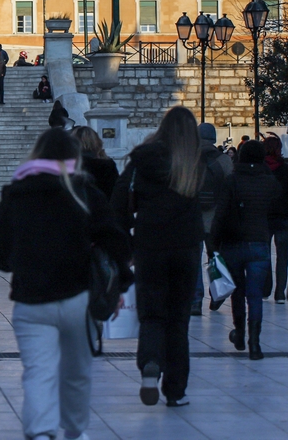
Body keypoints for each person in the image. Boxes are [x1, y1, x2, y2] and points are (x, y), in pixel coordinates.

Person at [0, 128, 132, 440]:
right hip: (77, 298)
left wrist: (27, 262)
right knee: (77, 373)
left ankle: (40, 432)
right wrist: (120, 286)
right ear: (75, 157)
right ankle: (75, 431)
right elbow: (116, 242)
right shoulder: (85, 192)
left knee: (38, 372)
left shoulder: (15, 194)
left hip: (31, 300)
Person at [111, 106, 203, 407]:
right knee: (178, 320)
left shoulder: (141, 159)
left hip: (150, 245)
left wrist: (123, 247)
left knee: (151, 314)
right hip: (186, 247)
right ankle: (175, 391)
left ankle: (150, 365)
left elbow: (119, 202)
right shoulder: (193, 163)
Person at [209, 139, 282, 360]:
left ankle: (239, 333)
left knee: (238, 293)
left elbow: (220, 214)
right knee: (255, 296)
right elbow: (277, 211)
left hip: (233, 243)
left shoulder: (232, 181)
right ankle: (255, 343)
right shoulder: (270, 182)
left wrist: (213, 244)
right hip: (259, 243)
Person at [193, 123, 232, 314]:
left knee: (194, 259)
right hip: (216, 219)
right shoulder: (224, 161)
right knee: (215, 257)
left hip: (193, 218)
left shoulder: (188, 161)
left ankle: (195, 299)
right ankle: (217, 294)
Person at [263, 135, 288, 304]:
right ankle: (280, 293)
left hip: (264, 218)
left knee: (264, 255)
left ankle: (265, 289)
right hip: (284, 217)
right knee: (283, 255)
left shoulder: (259, 169)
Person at [72, 125, 118, 199]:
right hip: (102, 207)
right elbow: (115, 193)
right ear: (97, 141)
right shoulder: (107, 165)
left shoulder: (69, 165)